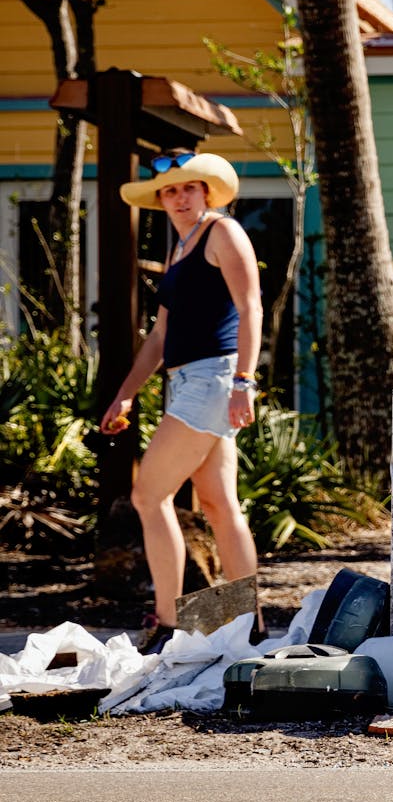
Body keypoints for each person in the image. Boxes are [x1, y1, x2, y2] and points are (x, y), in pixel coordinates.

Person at [100, 151, 264, 654]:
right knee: (218, 504)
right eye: (170, 191)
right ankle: (245, 624)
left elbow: (250, 305)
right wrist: (126, 394)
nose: (179, 197)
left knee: (149, 497)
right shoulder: (181, 248)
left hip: (214, 380)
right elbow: (160, 335)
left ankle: (170, 624)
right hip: (188, 380)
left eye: (188, 188)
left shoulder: (223, 233)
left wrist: (244, 381)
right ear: (161, 199)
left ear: (206, 192)